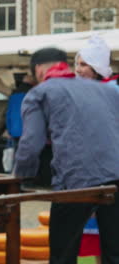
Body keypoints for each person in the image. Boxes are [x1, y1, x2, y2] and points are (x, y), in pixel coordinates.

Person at [14, 47, 119, 264]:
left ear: (38, 70)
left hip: (76, 180)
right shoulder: (107, 90)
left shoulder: (39, 93)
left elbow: (31, 143)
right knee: (115, 253)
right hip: (116, 175)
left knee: (63, 255)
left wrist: (18, 179)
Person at [74, 34, 118, 264]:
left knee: (110, 235)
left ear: (97, 67)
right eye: (77, 64)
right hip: (88, 174)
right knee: (98, 236)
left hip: (108, 175)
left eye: (84, 64)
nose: (78, 70)